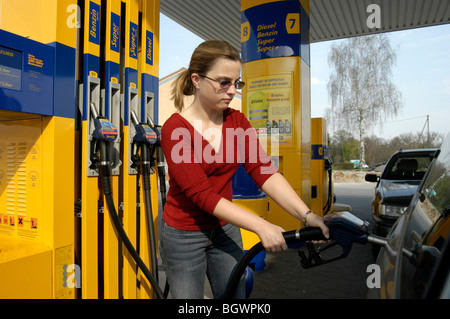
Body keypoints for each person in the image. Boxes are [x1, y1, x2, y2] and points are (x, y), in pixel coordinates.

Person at [160, 40, 329, 299]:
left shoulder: (236, 121)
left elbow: (263, 170)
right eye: (223, 82)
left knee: (236, 297)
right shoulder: (176, 129)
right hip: (184, 234)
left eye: (236, 83)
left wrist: (307, 215)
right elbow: (201, 195)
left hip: (225, 228)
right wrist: (260, 226)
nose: (231, 91)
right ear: (196, 79)